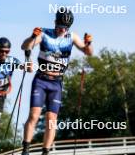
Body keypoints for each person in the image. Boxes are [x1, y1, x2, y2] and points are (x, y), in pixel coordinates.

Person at [21, 8, 93, 155]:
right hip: (41, 79)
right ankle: (26, 150)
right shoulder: (45, 33)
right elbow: (25, 46)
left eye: (65, 28)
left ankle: (45, 152)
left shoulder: (71, 37)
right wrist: (32, 37)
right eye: (60, 27)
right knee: (34, 115)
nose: (62, 30)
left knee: (51, 119)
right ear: (55, 23)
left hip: (56, 83)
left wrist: (89, 43)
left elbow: (88, 52)